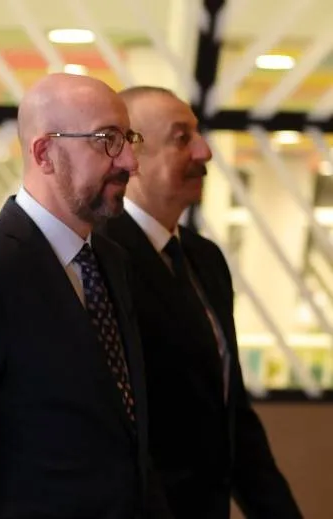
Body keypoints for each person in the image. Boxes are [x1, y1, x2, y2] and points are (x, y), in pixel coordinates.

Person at [0, 73, 172, 519]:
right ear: (44, 154)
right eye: (107, 140)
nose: (130, 162)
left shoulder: (111, 262)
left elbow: (124, 432)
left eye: (128, 140)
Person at [101, 85, 302, 518]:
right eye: (182, 138)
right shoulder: (100, 259)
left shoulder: (205, 258)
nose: (205, 151)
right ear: (133, 157)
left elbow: (231, 414)